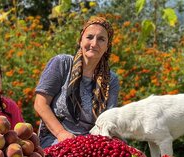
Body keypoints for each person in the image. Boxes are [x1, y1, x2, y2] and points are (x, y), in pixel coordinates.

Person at [34, 16, 120, 148]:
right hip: (57, 138)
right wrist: (61, 133)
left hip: (92, 142)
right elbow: (40, 104)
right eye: (89, 37)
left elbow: (109, 121)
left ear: (107, 46)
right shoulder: (62, 64)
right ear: (80, 40)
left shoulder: (111, 80)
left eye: (101, 39)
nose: (94, 43)